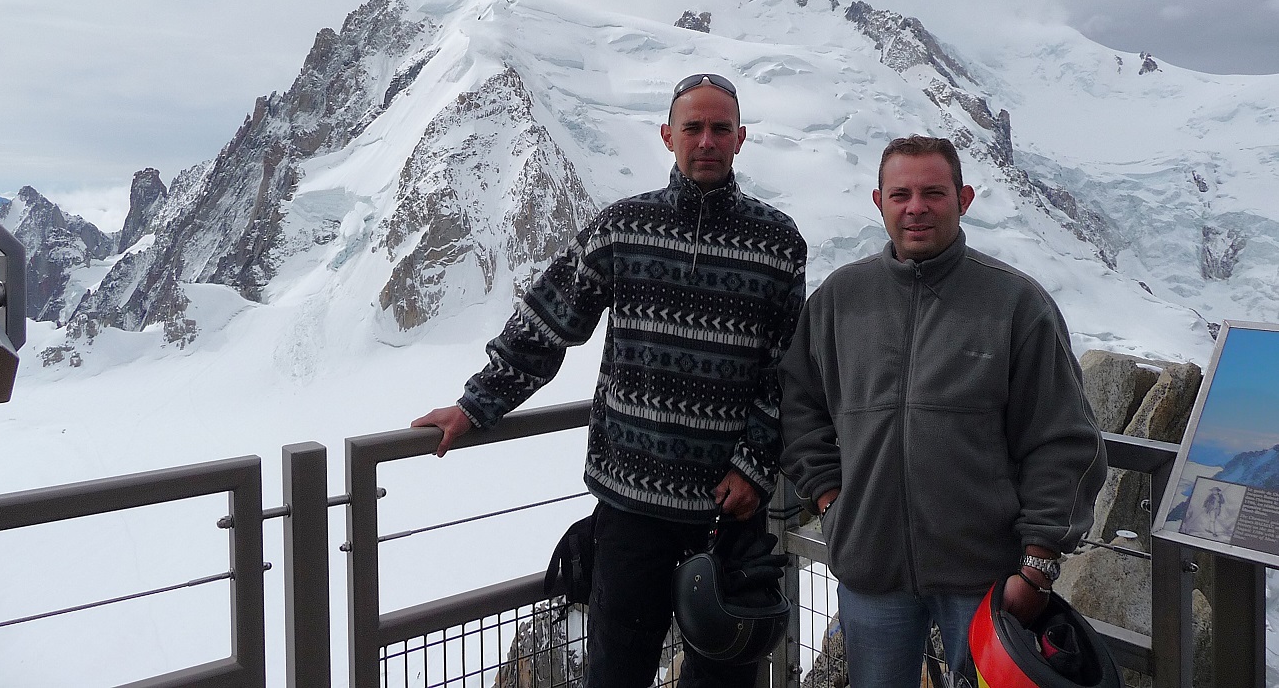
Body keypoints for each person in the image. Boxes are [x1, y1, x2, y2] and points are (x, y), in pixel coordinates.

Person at [413, 73, 808, 688]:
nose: (706, 140)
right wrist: (475, 405)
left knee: (725, 679)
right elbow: (548, 322)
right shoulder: (623, 227)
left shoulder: (778, 243)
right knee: (618, 675)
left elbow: (786, 370)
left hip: (729, 511)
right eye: (693, 127)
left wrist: (755, 466)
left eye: (719, 128)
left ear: (740, 139)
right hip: (630, 508)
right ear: (667, 136)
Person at [778, 135, 1106, 688]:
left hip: (985, 580)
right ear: (877, 201)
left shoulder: (1016, 305)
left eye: (933, 192)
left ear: (965, 198)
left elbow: (1063, 441)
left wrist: (1039, 564)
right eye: (900, 193)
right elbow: (798, 408)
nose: (916, 207)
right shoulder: (839, 301)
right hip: (871, 572)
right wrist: (833, 501)